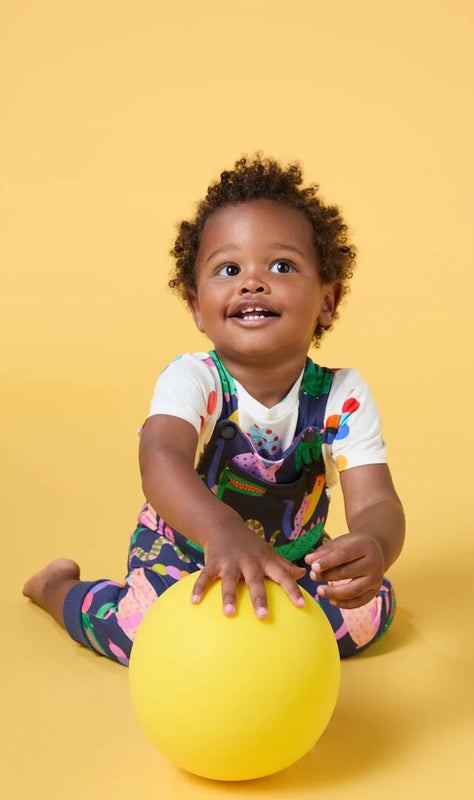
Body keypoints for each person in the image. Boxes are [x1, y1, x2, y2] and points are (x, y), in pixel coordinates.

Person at [23, 154, 405, 663]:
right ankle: (58, 590)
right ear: (197, 307)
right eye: (229, 269)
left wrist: (374, 547)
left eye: (282, 266)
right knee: (145, 633)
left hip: (289, 562)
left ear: (328, 300)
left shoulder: (342, 395)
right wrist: (222, 533)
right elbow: (160, 460)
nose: (252, 282)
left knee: (369, 612)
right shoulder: (195, 379)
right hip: (186, 556)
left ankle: (275, 624)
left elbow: (377, 502)